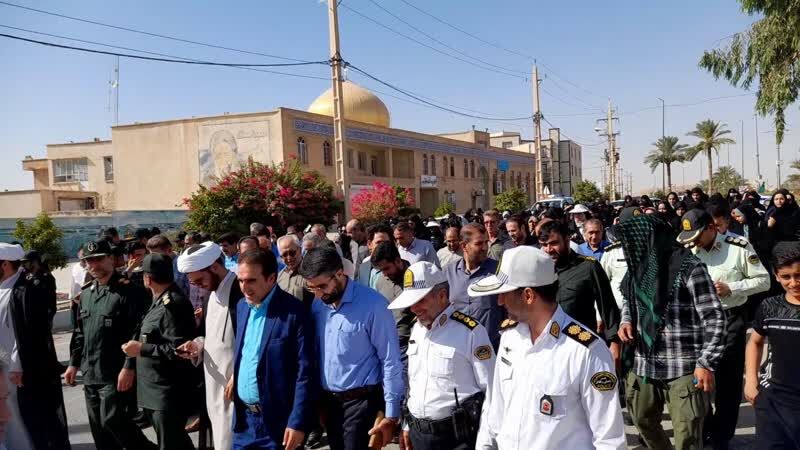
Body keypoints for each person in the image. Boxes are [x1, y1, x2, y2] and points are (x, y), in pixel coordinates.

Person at [472, 246, 626, 449]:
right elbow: (495, 406)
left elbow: (609, 439)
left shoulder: (586, 351)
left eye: (504, 293)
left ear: (528, 295)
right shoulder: (510, 338)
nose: (499, 301)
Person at [614, 214, 725, 450]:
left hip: (683, 367)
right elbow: (629, 301)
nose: (631, 247)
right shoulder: (638, 267)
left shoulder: (689, 267)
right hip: (644, 365)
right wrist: (626, 321)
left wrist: (705, 363)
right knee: (641, 420)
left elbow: (715, 318)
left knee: (688, 436)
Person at [676, 209, 770, 448]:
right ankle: (705, 427)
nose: (694, 242)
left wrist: (732, 287)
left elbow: (764, 280)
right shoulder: (688, 251)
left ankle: (722, 437)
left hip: (730, 319)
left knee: (727, 385)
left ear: (711, 228)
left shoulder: (737, 246)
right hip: (698, 322)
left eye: (697, 236)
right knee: (699, 380)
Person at [299, 246, 404, 450]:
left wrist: (391, 414)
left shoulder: (374, 305)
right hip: (329, 404)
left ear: (339, 273)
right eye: (312, 289)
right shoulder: (319, 304)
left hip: (362, 405)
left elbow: (390, 360)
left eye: (321, 286)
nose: (318, 294)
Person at [388, 262, 494, 450]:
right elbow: (414, 381)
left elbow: (492, 392)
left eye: (420, 300)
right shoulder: (417, 330)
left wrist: (486, 443)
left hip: (456, 437)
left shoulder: (471, 332)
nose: (414, 308)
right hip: (418, 434)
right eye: (411, 302)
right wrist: (406, 426)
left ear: (442, 295)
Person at [64, 239, 156, 450]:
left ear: (111, 259)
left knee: (114, 422)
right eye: (89, 261)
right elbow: (80, 333)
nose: (94, 265)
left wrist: (129, 367)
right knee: (99, 429)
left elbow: (140, 333)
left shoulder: (130, 292)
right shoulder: (86, 294)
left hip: (116, 372)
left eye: (99, 260)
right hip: (91, 372)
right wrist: (73, 363)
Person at [229, 250, 314, 450]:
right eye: (240, 281)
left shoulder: (293, 313)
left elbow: (305, 373)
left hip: (278, 426)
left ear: (271, 278)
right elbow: (245, 353)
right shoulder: (242, 307)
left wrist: (297, 422)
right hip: (244, 424)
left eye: (251, 280)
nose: (244, 287)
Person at [121, 253, 196, 450]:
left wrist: (141, 349)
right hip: (153, 391)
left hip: (166, 393)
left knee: (171, 444)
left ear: (148, 278)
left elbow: (179, 351)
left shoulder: (173, 304)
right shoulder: (158, 300)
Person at [176, 242, 244, 450]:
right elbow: (209, 336)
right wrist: (196, 345)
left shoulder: (240, 292)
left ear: (214, 267)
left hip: (237, 386)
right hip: (214, 385)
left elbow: (252, 339)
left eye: (199, 279)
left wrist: (239, 374)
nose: (197, 286)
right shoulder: (209, 295)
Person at [0, 244, 66, 450]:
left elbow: (31, 332)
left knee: (23, 416)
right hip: (1, 367)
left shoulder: (26, 289)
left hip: (18, 368)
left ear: (5, 264)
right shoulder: (4, 286)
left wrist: (18, 365)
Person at [744, 242, 800, 447]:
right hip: (773, 401)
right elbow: (755, 342)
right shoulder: (769, 307)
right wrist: (751, 381)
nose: (793, 283)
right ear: (776, 275)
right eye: (786, 277)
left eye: (798, 275)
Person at [537, 221, 621, 351]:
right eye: (544, 245)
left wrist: (615, 345)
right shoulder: (538, 270)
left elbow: (608, 308)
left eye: (554, 243)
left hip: (581, 346)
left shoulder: (588, 267)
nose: (549, 250)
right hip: (547, 347)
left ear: (567, 240)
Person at [444, 223, 505, 350]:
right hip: (458, 348)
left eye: (486, 242)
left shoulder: (499, 271)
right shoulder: (448, 273)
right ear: (464, 246)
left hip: (490, 348)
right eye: (479, 244)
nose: (485, 248)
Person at [371, 242, 414, 360]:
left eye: (386, 268)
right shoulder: (380, 281)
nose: (385, 274)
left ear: (398, 261)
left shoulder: (416, 277)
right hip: (387, 347)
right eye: (381, 270)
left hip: (411, 347)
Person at [276, 236, 314, 309]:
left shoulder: (311, 273)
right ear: (281, 257)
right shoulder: (280, 276)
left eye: (292, 253)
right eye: (284, 255)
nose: (289, 258)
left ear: (299, 250)